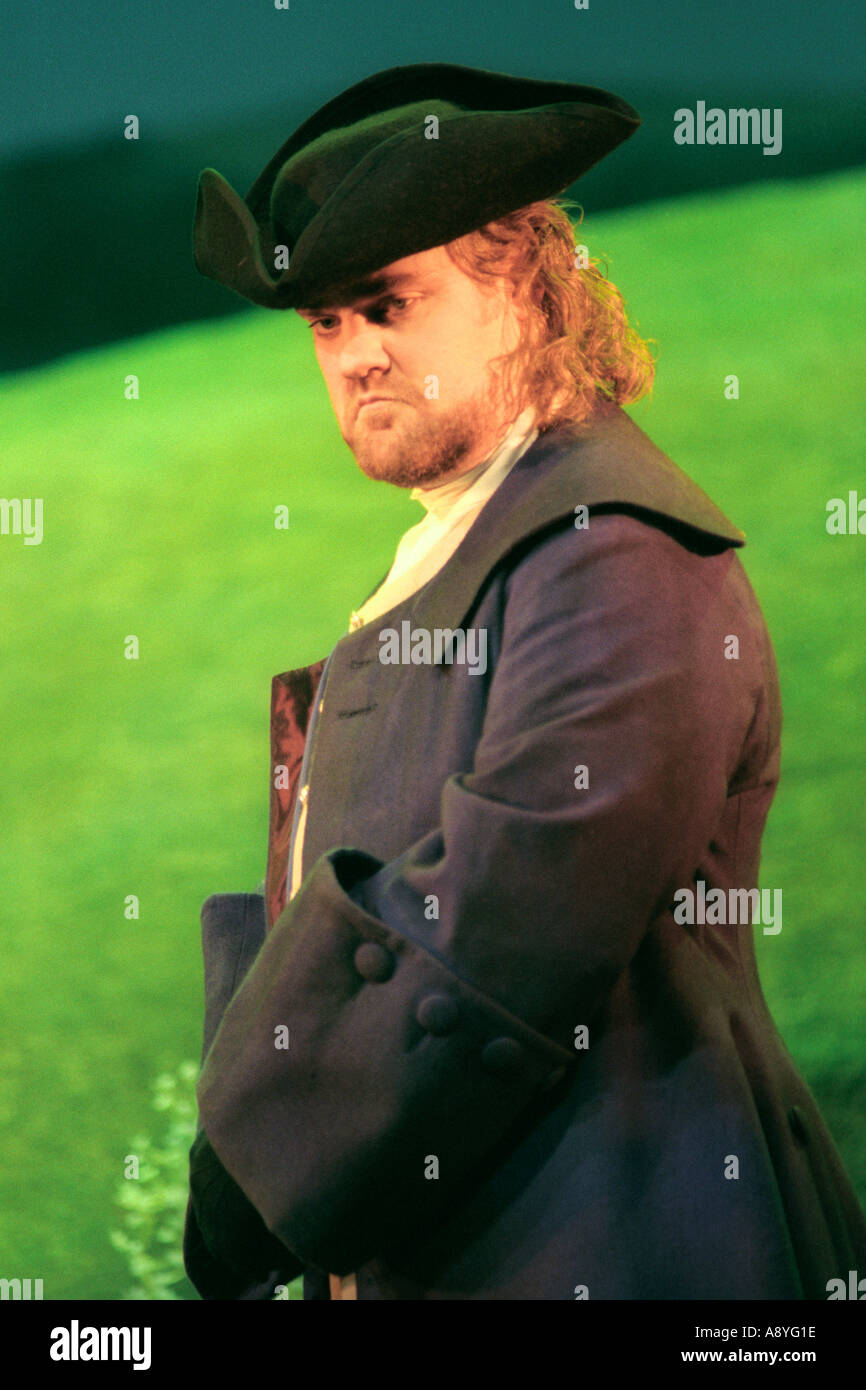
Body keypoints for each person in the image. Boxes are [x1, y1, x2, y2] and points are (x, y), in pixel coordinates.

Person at [183, 62, 866, 1300]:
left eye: (387, 304)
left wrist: (254, 1165)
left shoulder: (617, 553)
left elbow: (509, 909)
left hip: (623, 1235)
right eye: (324, 323)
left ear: (521, 289)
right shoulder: (471, 540)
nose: (351, 357)